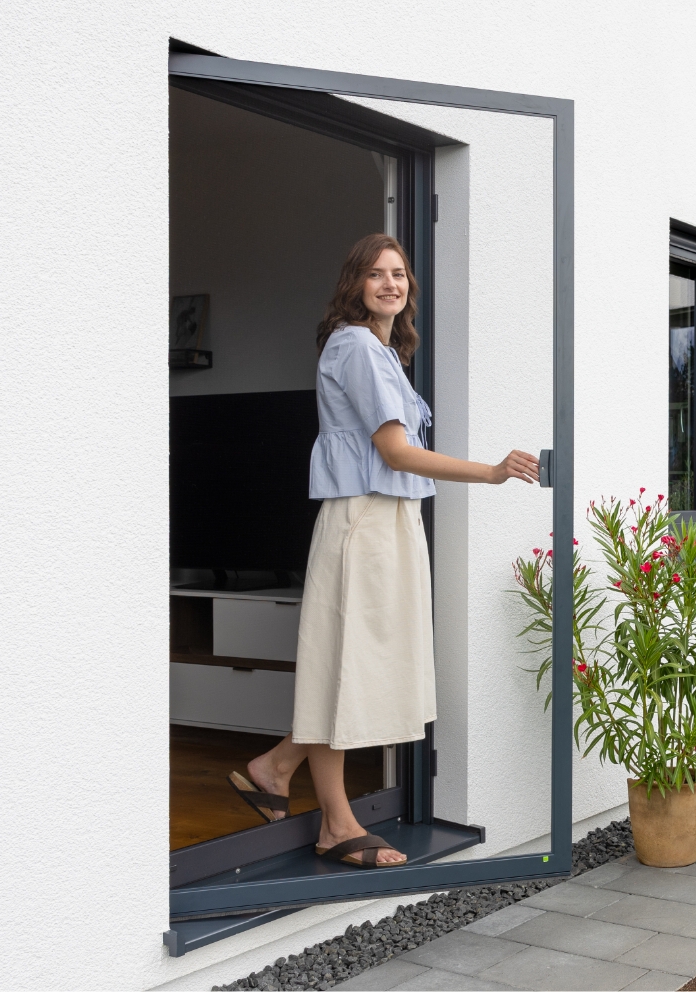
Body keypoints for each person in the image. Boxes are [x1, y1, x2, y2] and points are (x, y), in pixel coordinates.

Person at [229, 233, 539, 868]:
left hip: (386, 520)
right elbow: (395, 454)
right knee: (346, 666)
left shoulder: (381, 353)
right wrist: (493, 472)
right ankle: (336, 825)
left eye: (399, 274)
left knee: (360, 665)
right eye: (376, 274)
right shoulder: (358, 349)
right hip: (365, 522)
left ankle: (277, 765)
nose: (390, 284)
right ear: (355, 285)